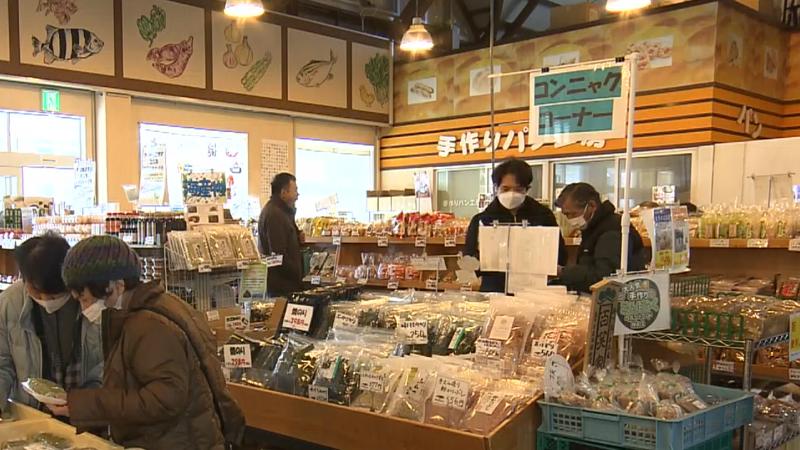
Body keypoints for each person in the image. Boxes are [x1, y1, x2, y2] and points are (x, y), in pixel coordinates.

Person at [54, 236, 245, 450]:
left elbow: (164, 400)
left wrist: (85, 404)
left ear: (115, 286)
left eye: (85, 299)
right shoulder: (149, 308)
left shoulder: (150, 325)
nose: (84, 308)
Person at [0, 232, 103, 414]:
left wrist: (84, 403)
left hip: (84, 412)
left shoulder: (92, 303)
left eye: (54, 296)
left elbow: (104, 365)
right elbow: (3, 363)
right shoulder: (9, 303)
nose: (46, 301)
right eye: (37, 294)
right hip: (34, 412)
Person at [465, 158, 567, 292]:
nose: (511, 194)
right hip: (494, 290)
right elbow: (469, 257)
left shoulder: (543, 216)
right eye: (505, 188)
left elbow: (559, 253)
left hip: (534, 292)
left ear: (527, 189)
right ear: (496, 188)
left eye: (518, 189)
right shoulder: (482, 220)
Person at [556, 182, 647, 293]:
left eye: (573, 214)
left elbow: (605, 278)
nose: (570, 220)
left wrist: (564, 272)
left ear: (592, 206)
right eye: (566, 215)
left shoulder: (611, 231)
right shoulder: (593, 228)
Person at [258, 172, 304, 297]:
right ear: (284, 193)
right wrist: (296, 274)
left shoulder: (281, 212)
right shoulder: (275, 215)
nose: (297, 195)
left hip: (283, 283)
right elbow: (278, 255)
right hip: (282, 286)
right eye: (295, 191)